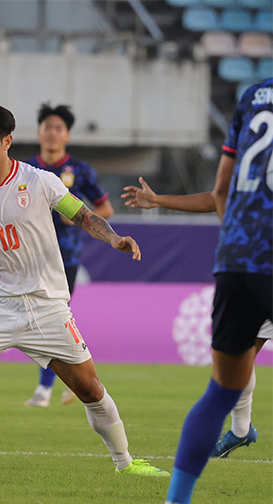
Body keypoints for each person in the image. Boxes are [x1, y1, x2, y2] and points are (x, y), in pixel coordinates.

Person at [0, 101, 168, 477]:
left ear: (7, 140)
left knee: (91, 390)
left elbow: (84, 215)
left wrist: (112, 239)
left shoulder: (40, 180)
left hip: (47, 308)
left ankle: (126, 464)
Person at [153, 79, 270, 504]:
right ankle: (241, 431)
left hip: (237, 257)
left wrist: (246, 242)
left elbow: (221, 190)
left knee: (221, 389)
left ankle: (177, 499)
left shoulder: (254, 96)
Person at [122, 172, 272, 459]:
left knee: (236, 357)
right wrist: (158, 200)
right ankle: (241, 430)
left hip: (256, 268)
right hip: (255, 269)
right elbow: (217, 197)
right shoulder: (252, 159)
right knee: (238, 355)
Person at [23, 103, 114, 408]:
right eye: (47, 127)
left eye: (58, 128)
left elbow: (105, 209)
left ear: (68, 135)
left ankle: (44, 390)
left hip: (65, 256)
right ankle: (78, 380)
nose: (52, 133)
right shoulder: (24, 169)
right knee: (42, 320)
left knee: (52, 319)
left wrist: (75, 217)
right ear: (39, 132)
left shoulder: (79, 170)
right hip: (29, 255)